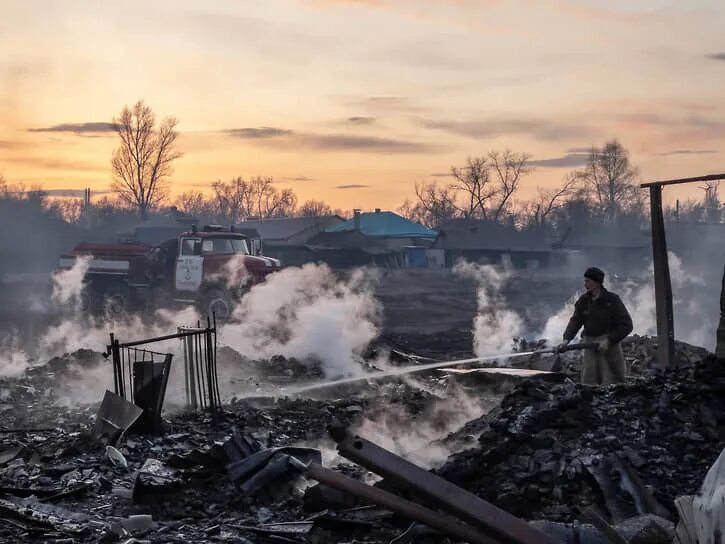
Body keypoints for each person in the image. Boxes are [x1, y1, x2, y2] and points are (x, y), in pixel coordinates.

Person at [558, 267, 633, 385]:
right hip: (590, 343)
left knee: (615, 378)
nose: (585, 284)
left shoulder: (612, 300)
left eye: (588, 281)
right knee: (589, 379)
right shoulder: (584, 301)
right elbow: (575, 321)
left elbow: (627, 325)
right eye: (585, 281)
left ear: (597, 283)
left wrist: (609, 340)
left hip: (610, 345)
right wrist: (566, 339)